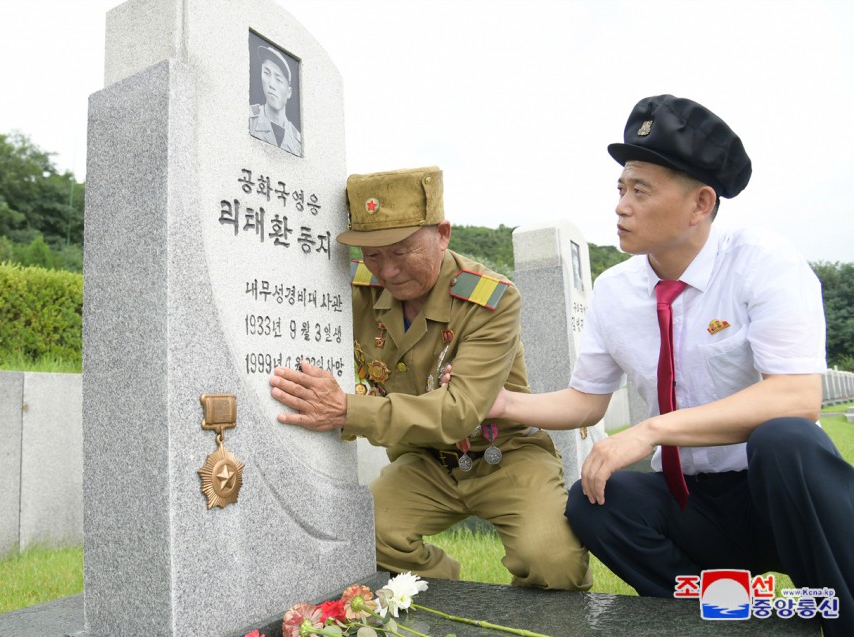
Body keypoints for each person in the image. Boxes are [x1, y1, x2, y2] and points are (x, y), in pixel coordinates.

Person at [446, 95, 852, 635]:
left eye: (641, 191)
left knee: (787, 441)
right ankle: (723, 620)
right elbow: (586, 400)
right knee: (598, 498)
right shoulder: (617, 290)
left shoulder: (764, 263)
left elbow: (796, 397)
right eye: (620, 189)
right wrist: (499, 402)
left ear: (700, 203)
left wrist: (652, 430)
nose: (621, 205)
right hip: (693, 503)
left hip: (775, 495)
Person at [268, 166, 591, 590]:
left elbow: (460, 411)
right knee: (365, 537)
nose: (388, 270)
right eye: (373, 254)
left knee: (553, 561)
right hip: (424, 460)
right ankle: (449, 598)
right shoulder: (358, 289)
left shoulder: (489, 299)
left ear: (442, 233)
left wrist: (346, 410)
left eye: (401, 252)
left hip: (503, 451)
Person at [249, 45, 302, 156]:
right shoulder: (248, 119)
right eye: (266, 73)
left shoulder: (298, 142)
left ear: (289, 92)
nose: (271, 84)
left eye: (278, 79)